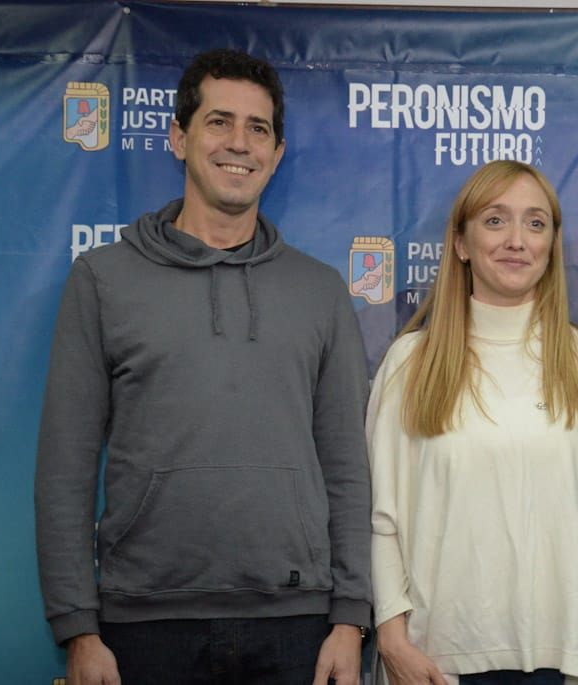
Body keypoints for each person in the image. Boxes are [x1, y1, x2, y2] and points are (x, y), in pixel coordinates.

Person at [34, 48, 372, 685]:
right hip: (143, 627)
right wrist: (78, 626)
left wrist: (350, 619)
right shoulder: (103, 280)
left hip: (298, 624)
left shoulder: (320, 290)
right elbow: (64, 470)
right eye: (219, 122)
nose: (239, 143)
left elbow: (348, 468)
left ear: (275, 153)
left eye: (259, 128)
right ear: (178, 137)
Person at [367, 160, 578, 685]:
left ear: (552, 244)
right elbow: (383, 517)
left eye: (535, 223)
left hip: (567, 659)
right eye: (495, 220)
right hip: (438, 663)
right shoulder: (410, 362)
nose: (517, 239)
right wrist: (392, 637)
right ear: (461, 242)